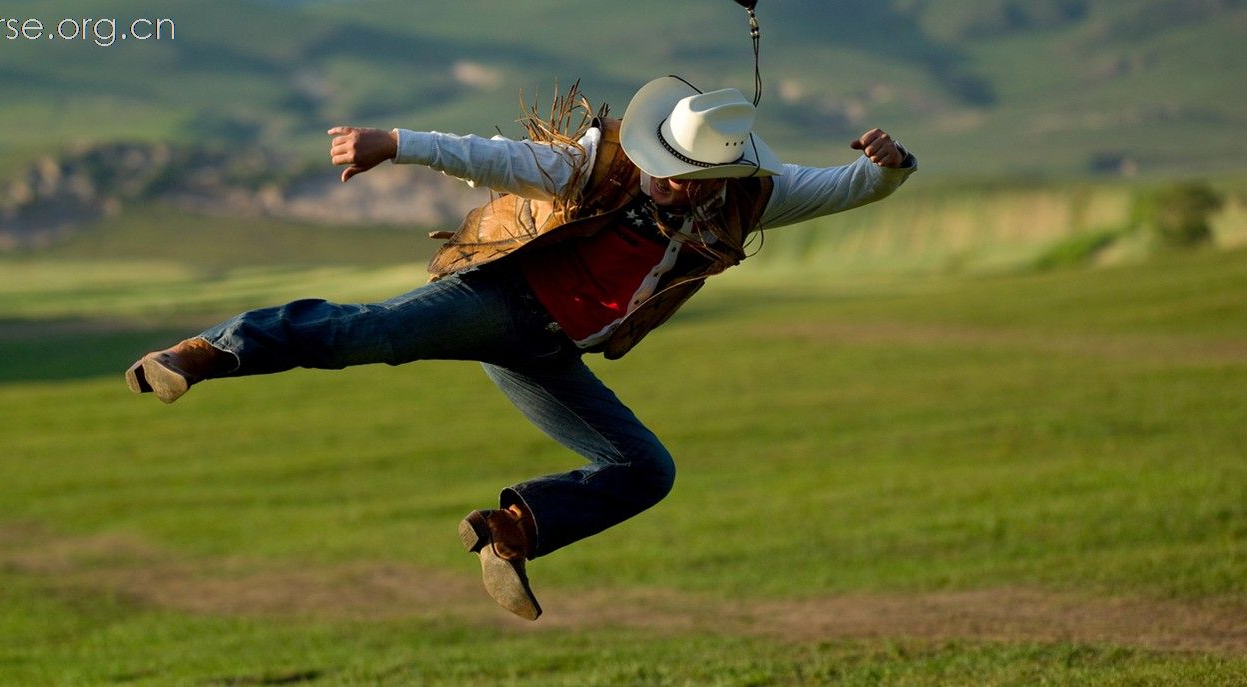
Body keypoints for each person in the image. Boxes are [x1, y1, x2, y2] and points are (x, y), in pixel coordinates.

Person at [125, 75, 917, 620]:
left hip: (547, 353)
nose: (670, 183)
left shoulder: (748, 201)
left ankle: (513, 531)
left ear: (721, 175)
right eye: (667, 170)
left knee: (648, 470)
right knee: (366, 333)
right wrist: (395, 142)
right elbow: (494, 156)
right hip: (495, 302)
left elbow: (848, 187)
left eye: (689, 178)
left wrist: (888, 167)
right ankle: (204, 354)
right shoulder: (594, 164)